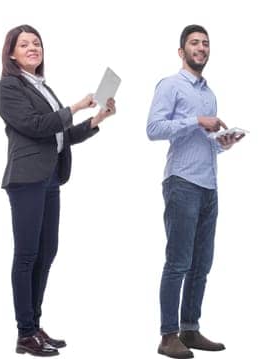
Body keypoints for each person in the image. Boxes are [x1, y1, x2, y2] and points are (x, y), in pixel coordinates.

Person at [0, 24, 116, 357]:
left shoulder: (42, 87)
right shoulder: (9, 86)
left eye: (37, 43)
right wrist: (75, 108)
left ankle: (35, 326)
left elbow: (59, 136)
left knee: (47, 252)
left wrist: (97, 119)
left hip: (49, 178)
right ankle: (25, 332)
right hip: (26, 178)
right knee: (27, 255)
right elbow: (34, 127)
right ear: (12, 53)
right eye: (25, 44)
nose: (33, 47)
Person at [147, 24, 235, 359]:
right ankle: (168, 335)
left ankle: (190, 328)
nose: (201, 47)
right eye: (194, 43)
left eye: (205, 43)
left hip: (209, 184)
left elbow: (206, 140)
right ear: (182, 51)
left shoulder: (209, 93)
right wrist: (196, 120)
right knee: (178, 261)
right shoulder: (170, 85)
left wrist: (222, 143)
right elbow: (153, 128)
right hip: (182, 182)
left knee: (202, 264)